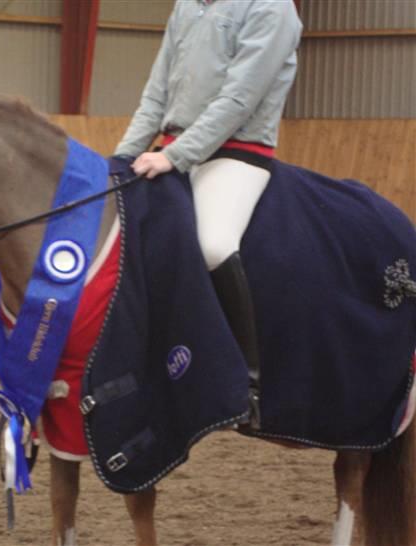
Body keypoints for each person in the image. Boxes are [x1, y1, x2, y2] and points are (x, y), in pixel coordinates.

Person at [115, 0, 303, 429]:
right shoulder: (187, 6)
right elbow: (157, 91)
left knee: (213, 243)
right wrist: (121, 159)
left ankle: (248, 387)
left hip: (236, 153)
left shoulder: (272, 8)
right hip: (173, 149)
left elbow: (240, 96)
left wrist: (175, 155)